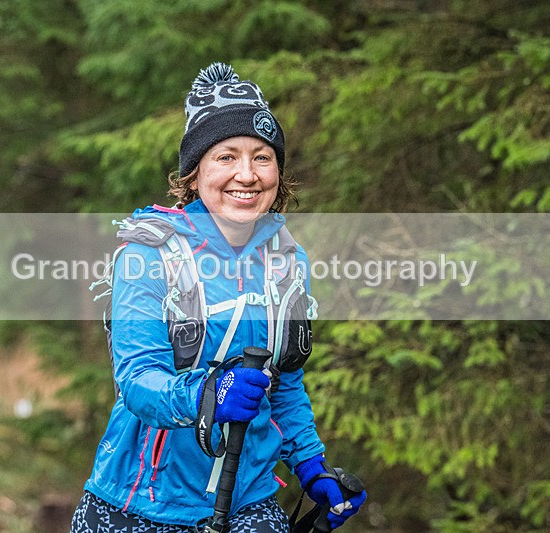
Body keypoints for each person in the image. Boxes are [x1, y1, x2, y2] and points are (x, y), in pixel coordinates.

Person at [72, 63, 366, 533]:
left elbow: (284, 384)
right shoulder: (148, 255)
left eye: (262, 157)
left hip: (250, 503)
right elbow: (137, 382)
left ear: (279, 171)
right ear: (194, 174)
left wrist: (312, 467)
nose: (246, 175)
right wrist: (209, 394)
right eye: (226, 157)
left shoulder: (288, 262)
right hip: (139, 507)